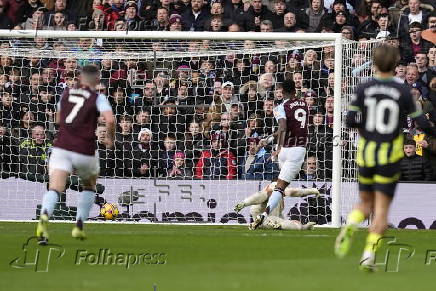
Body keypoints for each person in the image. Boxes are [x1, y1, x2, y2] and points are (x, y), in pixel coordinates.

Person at [334, 45, 436, 271]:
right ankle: (368, 256)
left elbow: (350, 120)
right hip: (390, 154)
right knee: (381, 210)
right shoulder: (402, 91)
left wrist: (367, 130)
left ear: (375, 63)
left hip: (366, 152)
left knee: (364, 203)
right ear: (395, 64)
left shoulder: (364, 87)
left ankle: (351, 223)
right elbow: (421, 123)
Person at [36, 65, 115, 244]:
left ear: (79, 79)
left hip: (62, 146)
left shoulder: (65, 94)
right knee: (89, 186)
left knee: (55, 188)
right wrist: (109, 138)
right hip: (84, 148)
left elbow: (57, 118)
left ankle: (44, 220)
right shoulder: (98, 97)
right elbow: (109, 119)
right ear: (96, 80)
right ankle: (79, 226)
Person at [250, 79, 309, 230]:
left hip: (284, 151)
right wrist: (274, 143)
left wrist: (277, 147)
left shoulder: (280, 107)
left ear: (282, 92)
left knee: (279, 185)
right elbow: (286, 127)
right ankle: (264, 216)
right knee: (280, 187)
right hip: (297, 149)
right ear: (295, 90)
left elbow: (283, 126)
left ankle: (276, 214)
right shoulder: (304, 104)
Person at [234, 182, 319, 230]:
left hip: (272, 217)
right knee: (285, 225)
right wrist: (245, 203)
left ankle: (269, 224)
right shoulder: (274, 187)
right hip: (262, 216)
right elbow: (259, 196)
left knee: (288, 224)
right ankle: (265, 223)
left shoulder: (279, 196)